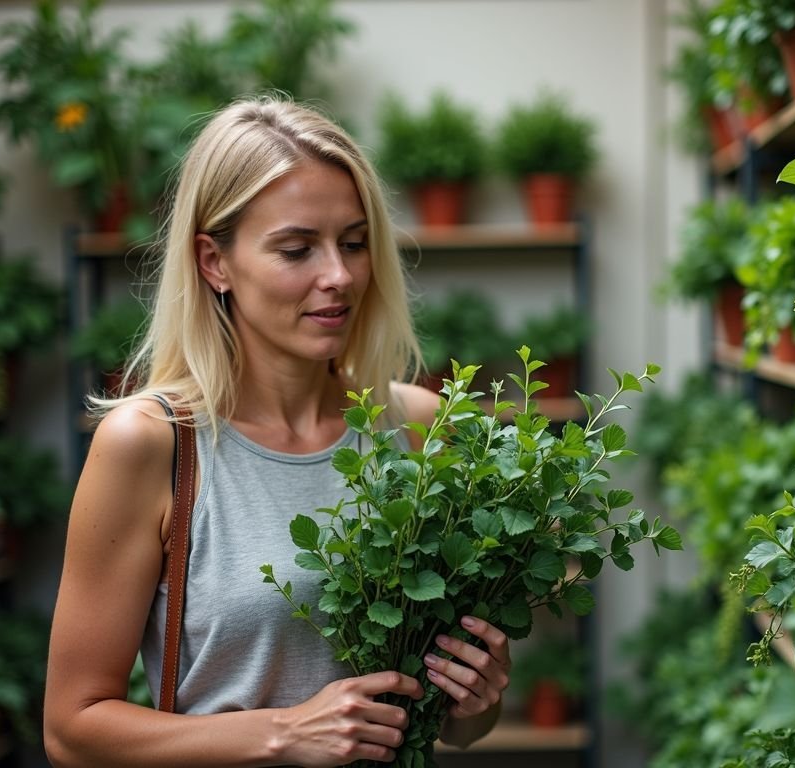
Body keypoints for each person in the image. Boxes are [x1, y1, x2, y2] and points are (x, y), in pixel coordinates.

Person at [44, 96, 511, 767]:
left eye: (354, 243)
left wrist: (477, 696)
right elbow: (71, 729)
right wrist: (285, 734)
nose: (340, 276)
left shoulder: (413, 425)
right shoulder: (153, 444)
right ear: (214, 263)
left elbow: (456, 729)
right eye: (297, 249)